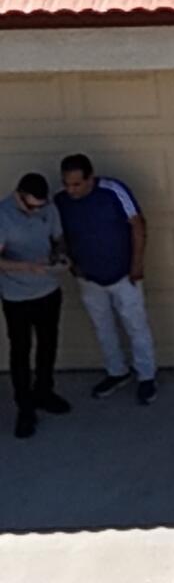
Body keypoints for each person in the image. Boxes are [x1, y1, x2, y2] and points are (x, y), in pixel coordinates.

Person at [56, 155, 155, 405]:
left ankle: (146, 376)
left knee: (136, 325)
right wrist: (72, 266)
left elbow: (138, 225)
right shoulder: (61, 202)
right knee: (102, 326)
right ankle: (116, 371)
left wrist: (136, 265)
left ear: (90, 178)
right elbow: (58, 236)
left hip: (123, 274)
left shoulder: (113, 191)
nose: (71, 190)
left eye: (77, 184)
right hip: (88, 277)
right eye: (67, 184)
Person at [1, 173, 69, 438]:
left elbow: (58, 237)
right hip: (16, 296)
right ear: (19, 196)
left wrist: (60, 255)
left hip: (48, 291)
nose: (37, 210)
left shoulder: (48, 208)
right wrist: (27, 267)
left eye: (41, 205)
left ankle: (44, 392)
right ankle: (25, 408)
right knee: (21, 351)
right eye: (31, 206)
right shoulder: (3, 215)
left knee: (48, 344)